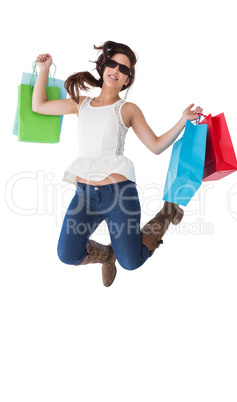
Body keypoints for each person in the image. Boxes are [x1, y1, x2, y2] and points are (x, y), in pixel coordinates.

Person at [33, 40, 203, 287]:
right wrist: (44, 70)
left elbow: (155, 146)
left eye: (124, 69)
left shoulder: (128, 109)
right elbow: (38, 106)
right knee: (67, 254)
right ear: (103, 68)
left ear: (127, 80)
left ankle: (167, 213)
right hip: (85, 196)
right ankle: (107, 256)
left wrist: (182, 121)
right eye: (112, 64)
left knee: (132, 262)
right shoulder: (80, 103)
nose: (116, 70)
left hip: (119, 195)